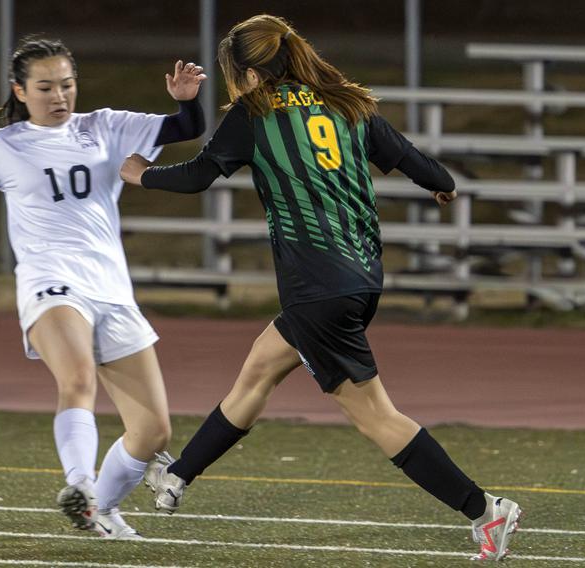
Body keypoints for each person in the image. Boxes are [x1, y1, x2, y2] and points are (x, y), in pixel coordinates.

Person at [120, 15, 522, 561]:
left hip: (316, 285)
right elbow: (414, 161)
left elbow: (198, 176)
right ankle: (177, 478)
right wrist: (442, 185)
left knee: (376, 416)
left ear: (250, 73)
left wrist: (141, 173)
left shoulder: (254, 114)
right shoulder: (345, 102)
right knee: (262, 366)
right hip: (358, 278)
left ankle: (485, 511)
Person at [0, 36, 207, 540]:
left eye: (67, 84)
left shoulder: (106, 127)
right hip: (50, 283)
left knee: (154, 428)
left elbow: (188, 127)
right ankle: (80, 486)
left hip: (111, 288)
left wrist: (186, 99)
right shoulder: (1, 147)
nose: (59, 95)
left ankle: (102, 510)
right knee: (76, 380)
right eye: (45, 86)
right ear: (20, 90)